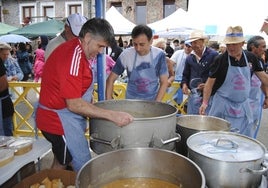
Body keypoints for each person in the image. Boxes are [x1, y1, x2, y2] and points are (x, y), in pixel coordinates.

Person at [35, 18, 134, 172]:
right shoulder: (72, 56)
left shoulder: (80, 51)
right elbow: (74, 104)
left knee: (63, 158)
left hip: (65, 117)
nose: (101, 52)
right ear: (87, 38)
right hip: (57, 121)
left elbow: (77, 89)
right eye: (100, 46)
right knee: (78, 164)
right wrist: (112, 115)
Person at [199, 26, 268, 138]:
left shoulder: (250, 58)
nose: (231, 47)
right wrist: (205, 103)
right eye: (228, 44)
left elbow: (264, 78)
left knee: (243, 139)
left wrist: (267, 95)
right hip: (222, 104)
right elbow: (209, 84)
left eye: (234, 44)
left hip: (243, 106)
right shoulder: (220, 60)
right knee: (218, 138)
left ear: (242, 43)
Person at [106, 24, 169, 101]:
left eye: (142, 44)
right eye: (135, 44)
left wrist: (156, 104)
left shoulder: (159, 55)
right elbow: (110, 80)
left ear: (151, 41)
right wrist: (109, 102)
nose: (138, 48)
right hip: (131, 102)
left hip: (152, 100)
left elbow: (164, 82)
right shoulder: (126, 55)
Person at [181, 30, 218, 114]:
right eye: (193, 43)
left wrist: (208, 85)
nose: (195, 45)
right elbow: (185, 75)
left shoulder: (213, 55)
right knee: (193, 119)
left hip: (210, 95)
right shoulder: (189, 58)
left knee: (208, 119)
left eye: (197, 42)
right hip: (194, 94)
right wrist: (184, 84)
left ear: (203, 41)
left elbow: (219, 76)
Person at [247, 35, 268, 138]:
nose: (264, 50)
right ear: (253, 47)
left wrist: (266, 96)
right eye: (262, 47)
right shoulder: (243, 60)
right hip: (242, 103)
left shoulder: (260, 61)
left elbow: (263, 81)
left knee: (253, 128)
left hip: (255, 101)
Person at [0, 42, 15, 136]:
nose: (6, 56)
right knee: (7, 132)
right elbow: (3, 85)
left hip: (5, 102)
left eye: (7, 54)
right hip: (3, 102)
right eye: (4, 54)